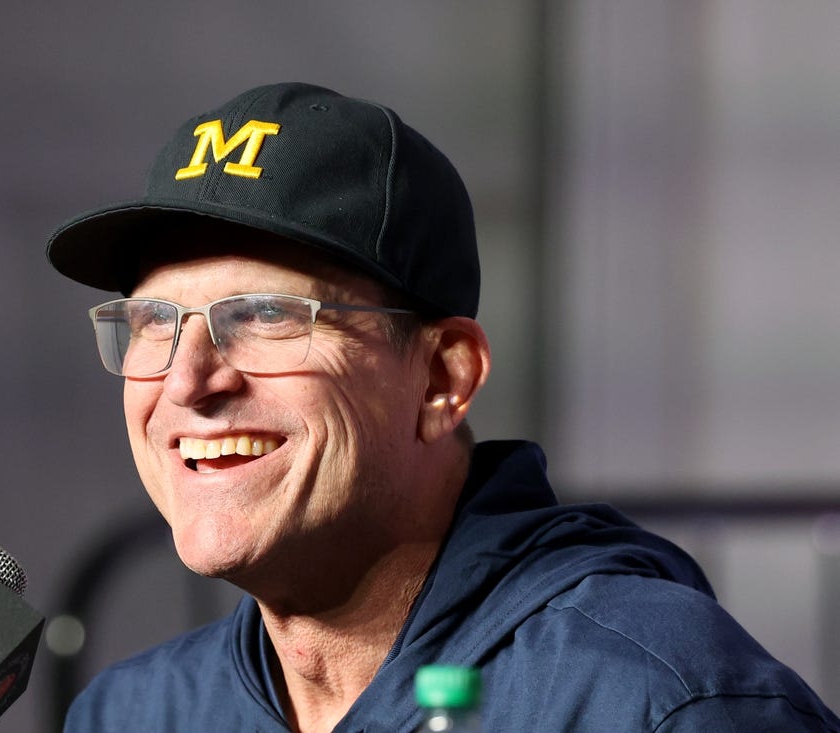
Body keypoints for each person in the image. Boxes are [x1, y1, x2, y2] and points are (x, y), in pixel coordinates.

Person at [46, 82, 840, 732]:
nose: (188, 381)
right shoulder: (134, 714)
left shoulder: (656, 705)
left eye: (264, 315)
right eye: (154, 322)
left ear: (442, 377)